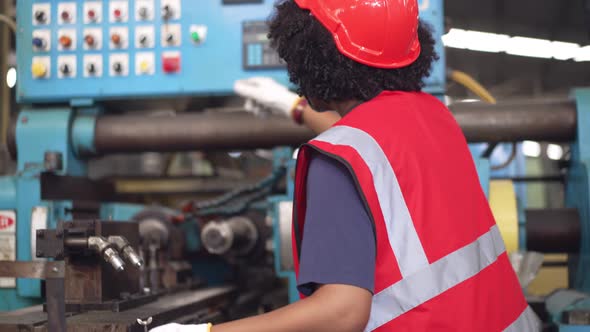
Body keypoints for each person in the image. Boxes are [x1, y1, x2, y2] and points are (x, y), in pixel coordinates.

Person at [152, 0, 540, 331]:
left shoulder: (336, 160)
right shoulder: (433, 116)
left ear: (312, 55)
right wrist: (293, 109)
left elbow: (342, 313)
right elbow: (370, 140)